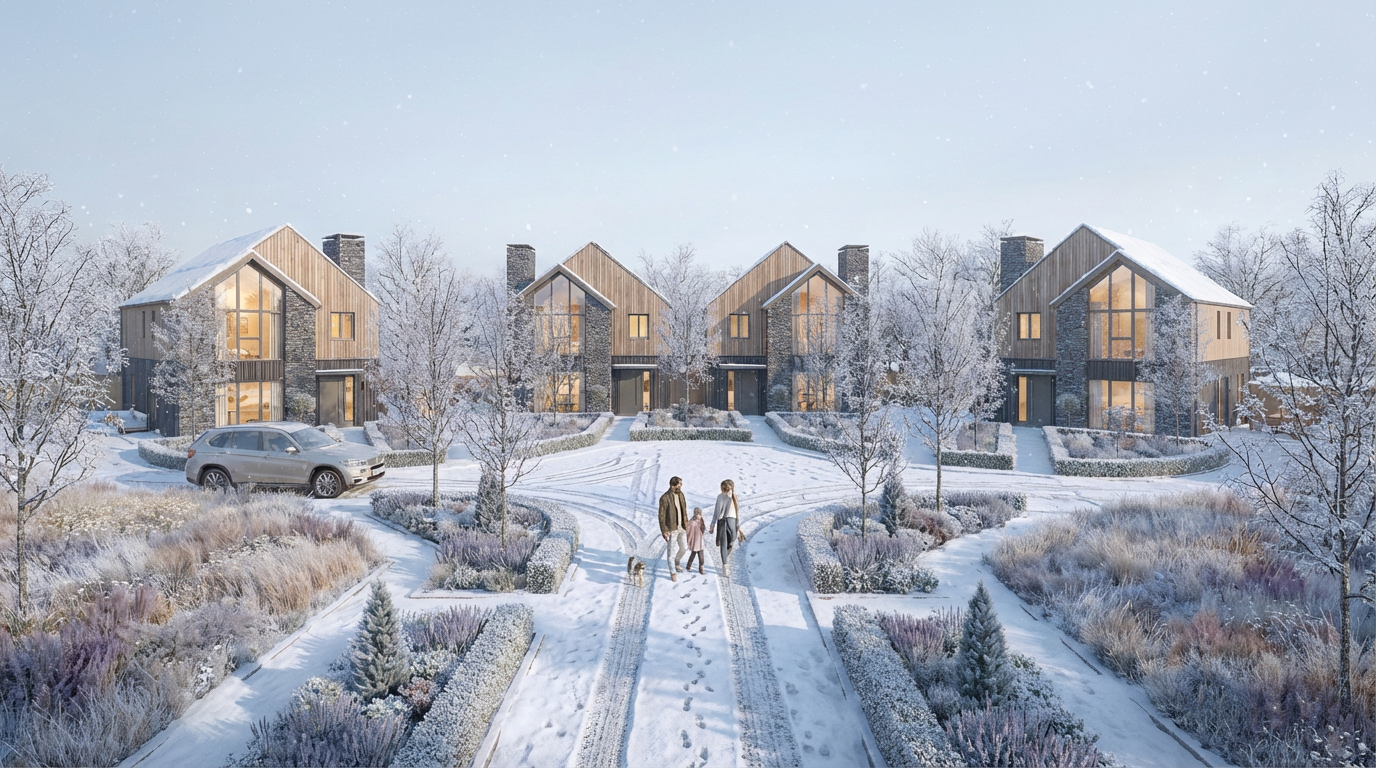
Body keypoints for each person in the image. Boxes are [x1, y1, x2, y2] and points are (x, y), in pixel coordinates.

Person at [658, 475, 689, 581]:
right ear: (673, 485)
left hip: (682, 527)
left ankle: (677, 561)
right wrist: (664, 530)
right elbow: (661, 516)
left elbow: (684, 510)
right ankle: (672, 572)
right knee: (671, 552)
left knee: (684, 548)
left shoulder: (681, 495)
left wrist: (687, 524)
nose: (681, 486)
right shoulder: (664, 498)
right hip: (672, 529)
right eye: (680, 484)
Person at [708, 479, 740, 572]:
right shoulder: (720, 497)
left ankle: (726, 554)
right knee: (723, 543)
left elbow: (737, 512)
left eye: (725, 490)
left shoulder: (734, 497)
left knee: (732, 539)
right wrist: (713, 524)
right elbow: (716, 511)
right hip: (722, 521)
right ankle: (725, 565)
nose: (724, 492)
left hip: (732, 520)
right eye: (723, 490)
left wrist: (738, 525)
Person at [685, 507, 707, 575]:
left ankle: (701, 567)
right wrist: (689, 541)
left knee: (701, 557)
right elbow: (688, 532)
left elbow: (703, 529)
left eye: (700, 514)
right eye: (697, 514)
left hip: (700, 542)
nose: (699, 516)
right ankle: (688, 566)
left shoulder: (701, 521)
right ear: (695, 514)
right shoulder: (692, 523)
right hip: (695, 542)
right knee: (693, 555)